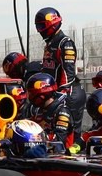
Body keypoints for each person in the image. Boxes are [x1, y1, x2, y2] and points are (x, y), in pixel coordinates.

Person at [35, 7, 86, 135]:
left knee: (69, 132)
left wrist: (61, 94)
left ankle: (73, 153)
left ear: (51, 23)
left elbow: (67, 73)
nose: (39, 30)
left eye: (42, 26)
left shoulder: (65, 43)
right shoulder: (50, 43)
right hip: (56, 93)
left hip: (69, 93)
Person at [26, 72, 78, 153]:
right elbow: (28, 126)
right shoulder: (40, 111)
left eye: (31, 93)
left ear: (42, 94)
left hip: (61, 158)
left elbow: (59, 141)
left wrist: (35, 138)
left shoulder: (62, 112)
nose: (29, 97)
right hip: (41, 154)